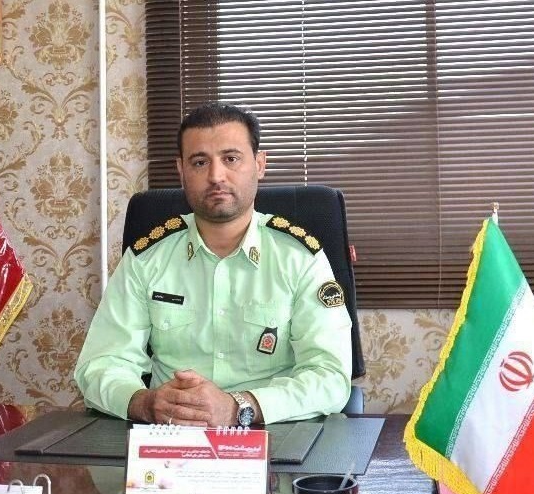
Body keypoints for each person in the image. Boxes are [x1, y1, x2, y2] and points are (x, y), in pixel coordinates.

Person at [74, 103, 352, 427]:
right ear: (181, 170)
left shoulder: (300, 258)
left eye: (231, 158)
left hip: (271, 432)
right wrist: (145, 403)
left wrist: (238, 407)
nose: (216, 176)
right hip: (169, 435)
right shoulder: (147, 258)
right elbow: (101, 364)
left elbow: (330, 376)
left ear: (259, 164)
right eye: (200, 162)